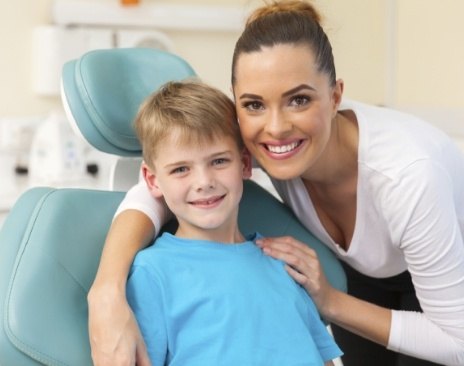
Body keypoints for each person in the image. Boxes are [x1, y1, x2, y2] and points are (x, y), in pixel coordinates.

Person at [87, 1, 464, 365]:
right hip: (364, 277)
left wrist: (330, 301)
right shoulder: (247, 147)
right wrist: (106, 289)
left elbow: (457, 341)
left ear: (335, 97)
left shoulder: (409, 174)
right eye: (253, 105)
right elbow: (157, 192)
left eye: (298, 100)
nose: (276, 126)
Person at [125, 80, 342, 365]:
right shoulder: (153, 274)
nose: (204, 182)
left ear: (244, 164)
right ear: (153, 180)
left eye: (218, 162)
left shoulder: (281, 262)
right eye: (181, 169)